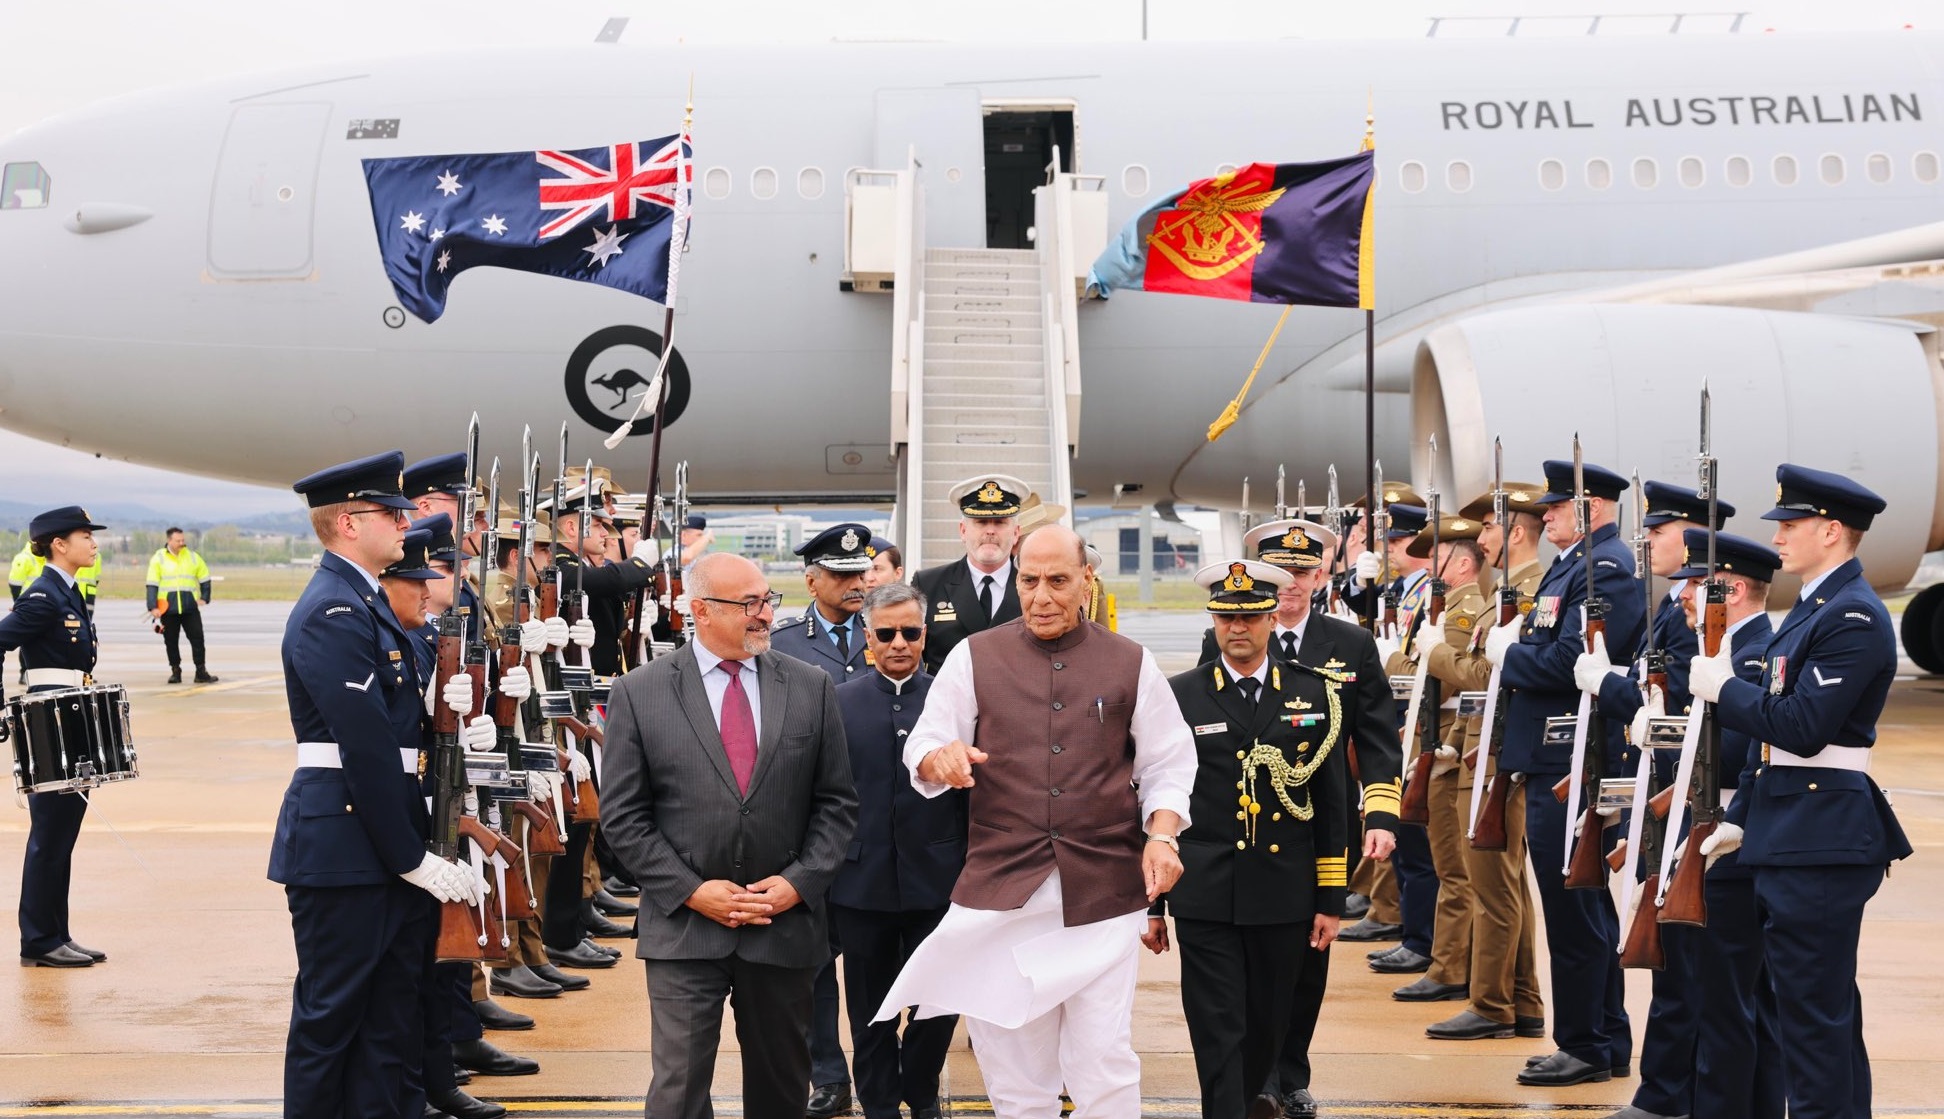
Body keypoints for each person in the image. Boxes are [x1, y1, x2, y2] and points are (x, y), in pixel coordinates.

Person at [879, 524, 1196, 1119]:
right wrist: (937, 757)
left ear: (1086, 582)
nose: (1042, 596)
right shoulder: (975, 656)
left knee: (1102, 1060)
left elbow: (1169, 762)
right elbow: (925, 737)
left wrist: (1161, 834)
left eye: (1058, 581)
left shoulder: (1132, 662)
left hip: (1103, 892)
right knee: (1014, 1070)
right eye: (1029, 581)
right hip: (1002, 892)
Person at [600, 551, 858, 1119]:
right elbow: (623, 817)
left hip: (782, 924)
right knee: (678, 1091)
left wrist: (797, 884)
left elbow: (837, 805)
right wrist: (692, 890)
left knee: (781, 1089)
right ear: (700, 610)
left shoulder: (809, 687)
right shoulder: (640, 692)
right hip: (685, 927)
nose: (764, 614)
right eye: (748, 604)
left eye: (767, 600)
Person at [1688, 465, 1912, 1119]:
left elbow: (1801, 728)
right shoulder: (1814, 606)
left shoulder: (1855, 617)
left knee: (1811, 1028)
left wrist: (1723, 690)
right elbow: (1772, 743)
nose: (1779, 536)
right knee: (1821, 1019)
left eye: (1791, 525)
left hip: (1821, 837)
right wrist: (1743, 812)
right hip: (1791, 827)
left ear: (1833, 531)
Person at [271, 451, 485, 1119]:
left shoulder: (364, 600)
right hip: (347, 845)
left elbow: (395, 732)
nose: (405, 522)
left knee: (390, 1017)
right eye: (392, 513)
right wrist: (410, 856)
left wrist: (445, 710)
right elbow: (362, 746)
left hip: (383, 835)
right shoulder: (333, 609)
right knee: (334, 1018)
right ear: (349, 522)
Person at [1149, 559, 1347, 1119]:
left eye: (1251, 618)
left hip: (1284, 891)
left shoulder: (1314, 694)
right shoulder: (1180, 695)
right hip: (1205, 889)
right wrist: (1155, 904)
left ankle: (1253, 1097)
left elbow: (1332, 806)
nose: (1238, 629)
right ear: (1213, 620)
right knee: (1216, 1026)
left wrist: (1330, 900)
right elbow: (1160, 800)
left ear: (1270, 618)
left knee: (1267, 1023)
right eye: (1226, 618)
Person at [1481, 458, 1645, 1088]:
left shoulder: (1605, 571)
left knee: (1575, 912)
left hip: (1572, 760)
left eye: (1556, 505)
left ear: (1594, 508)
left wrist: (1509, 653)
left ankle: (1587, 1041)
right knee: (1578, 909)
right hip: (1551, 759)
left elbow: (1571, 662)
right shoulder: (1572, 567)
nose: (1544, 514)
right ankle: (1599, 1039)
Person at [1570, 481, 1732, 1119]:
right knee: (1671, 960)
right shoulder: (1671, 609)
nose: (1648, 541)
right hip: (1663, 797)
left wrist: (1613, 687)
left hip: (1687, 804)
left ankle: (1669, 1094)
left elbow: (1684, 715)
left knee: (1686, 965)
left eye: (1660, 533)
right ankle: (1665, 1090)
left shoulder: (1699, 619)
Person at [1229, 520, 1400, 1119]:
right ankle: (1260, 1077)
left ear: (1321, 574)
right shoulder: (1238, 632)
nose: (1291, 585)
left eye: (1302, 572)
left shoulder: (1349, 645)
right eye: (1279, 573)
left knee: (1309, 954)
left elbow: (1378, 737)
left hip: (1322, 827)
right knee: (1253, 958)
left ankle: (1290, 1071)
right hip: (1251, 825)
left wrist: (1380, 812)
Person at [831, 582, 965, 1119]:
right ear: (868, 638)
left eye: (910, 632)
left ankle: (922, 1088)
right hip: (862, 886)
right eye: (886, 634)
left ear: (925, 633)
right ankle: (881, 1103)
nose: (899, 644)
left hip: (940, 880)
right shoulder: (839, 703)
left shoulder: (953, 701)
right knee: (871, 1010)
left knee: (939, 1002)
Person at [1425, 482, 1549, 1043]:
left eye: (1491, 529)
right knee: (1504, 886)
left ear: (1515, 533)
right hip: (1482, 746)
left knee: (1494, 888)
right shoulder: (1509, 593)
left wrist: (1434, 653)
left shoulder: (1530, 594)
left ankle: (1491, 1003)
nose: (1483, 539)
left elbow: (1488, 675)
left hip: (1498, 754)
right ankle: (1520, 1000)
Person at [1669, 529, 1785, 1119]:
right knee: (1742, 1002)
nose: (1682, 597)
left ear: (1732, 590)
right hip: (1715, 834)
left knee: (1725, 1006)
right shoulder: (1726, 653)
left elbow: (1747, 748)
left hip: (1732, 841)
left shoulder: (1756, 655)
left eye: (1694, 586)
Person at [767, 521, 875, 1114]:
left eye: (860, 573)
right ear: (811, 580)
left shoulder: (893, 632)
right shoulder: (783, 644)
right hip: (809, 830)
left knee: (872, 962)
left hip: (879, 827)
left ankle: (881, 1068)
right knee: (812, 963)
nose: (854, 583)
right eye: (840, 574)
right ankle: (828, 1077)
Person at [1385, 516, 1490, 1001]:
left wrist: (1392, 658)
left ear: (1464, 563)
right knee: (1440, 860)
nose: (1430, 565)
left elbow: (1442, 676)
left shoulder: (1465, 607)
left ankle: (1450, 967)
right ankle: (1445, 961)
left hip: (1448, 741)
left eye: (1440, 557)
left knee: (1451, 866)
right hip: (1431, 733)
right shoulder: (1441, 605)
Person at [1, 506, 109, 968]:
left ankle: (57, 932)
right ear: (59, 545)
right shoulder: (44, 596)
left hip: (72, 715)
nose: (94, 543)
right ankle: (38, 940)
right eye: (86, 536)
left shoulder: (69, 592)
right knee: (49, 833)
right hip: (50, 723)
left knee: (64, 832)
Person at [909, 475, 1026, 673]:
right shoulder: (928, 584)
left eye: (999, 522)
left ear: (1016, 533)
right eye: (980, 522)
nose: (990, 531)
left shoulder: (1035, 585)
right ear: (963, 530)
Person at [146, 526, 218, 684]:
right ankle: (175, 671)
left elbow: (205, 577)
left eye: (183, 540)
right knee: (171, 641)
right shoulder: (158, 558)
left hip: (189, 608)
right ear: (169, 540)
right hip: (168, 609)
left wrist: (204, 597)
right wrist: (153, 607)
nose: (181, 543)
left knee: (198, 639)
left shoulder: (192, 557)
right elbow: (152, 583)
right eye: (178, 540)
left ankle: (201, 671)